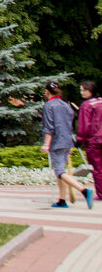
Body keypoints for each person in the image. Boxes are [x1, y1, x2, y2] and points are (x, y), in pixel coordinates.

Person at [41, 81, 93, 209]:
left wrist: (46, 144)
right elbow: (70, 124)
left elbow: (49, 127)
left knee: (59, 171)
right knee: (61, 170)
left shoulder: (48, 106)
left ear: (47, 91)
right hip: (67, 140)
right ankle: (62, 200)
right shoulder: (66, 105)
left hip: (56, 142)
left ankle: (84, 191)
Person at [78, 80, 102, 189]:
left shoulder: (86, 105)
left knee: (97, 168)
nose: (82, 93)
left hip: (94, 141)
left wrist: (80, 139)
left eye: (84, 90)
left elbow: (85, 125)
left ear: (90, 90)